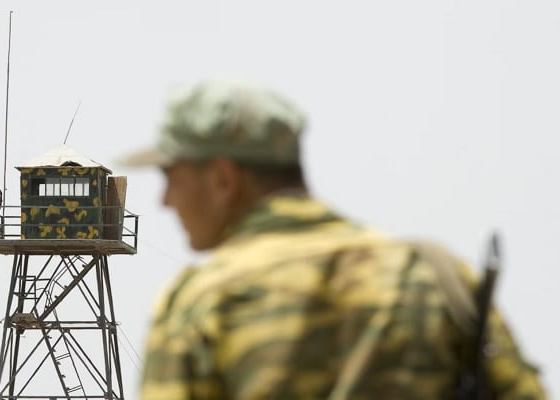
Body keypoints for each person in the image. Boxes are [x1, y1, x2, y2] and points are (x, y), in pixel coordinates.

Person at [118, 79, 546, 399]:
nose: (165, 201)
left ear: (223, 180)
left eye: (171, 178)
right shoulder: (436, 275)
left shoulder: (201, 301)